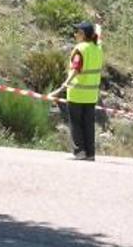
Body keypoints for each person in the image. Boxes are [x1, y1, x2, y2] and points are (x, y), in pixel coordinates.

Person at [50, 21, 103, 161]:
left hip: (77, 93)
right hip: (91, 95)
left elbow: (75, 69)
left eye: (77, 32)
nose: (74, 35)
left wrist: (61, 88)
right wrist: (99, 24)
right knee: (88, 125)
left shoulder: (81, 49)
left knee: (76, 124)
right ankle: (90, 154)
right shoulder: (97, 49)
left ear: (83, 34)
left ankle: (79, 152)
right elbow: (99, 35)